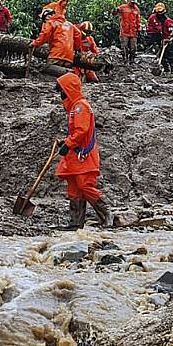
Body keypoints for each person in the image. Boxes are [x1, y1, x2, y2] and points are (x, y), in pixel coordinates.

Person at [54, 72, 111, 229]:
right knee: (74, 187)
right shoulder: (75, 107)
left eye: (62, 91)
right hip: (76, 155)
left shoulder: (80, 107)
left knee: (85, 185)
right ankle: (75, 223)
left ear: (69, 90)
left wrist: (69, 144)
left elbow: (82, 131)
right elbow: (77, 132)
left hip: (83, 154)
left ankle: (107, 215)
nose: (61, 95)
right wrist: (65, 142)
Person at [146, 3, 173, 73]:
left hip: (168, 39)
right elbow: (150, 29)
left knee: (170, 52)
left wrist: (167, 39)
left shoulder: (169, 21)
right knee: (159, 54)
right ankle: (165, 68)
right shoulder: (152, 18)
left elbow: (171, 33)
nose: (159, 13)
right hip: (157, 38)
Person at [111, 0, 142, 65]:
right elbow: (114, 13)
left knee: (133, 47)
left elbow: (138, 20)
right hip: (124, 31)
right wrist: (114, 10)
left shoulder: (136, 9)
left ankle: (132, 60)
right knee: (124, 47)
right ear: (129, 0)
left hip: (134, 31)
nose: (133, 3)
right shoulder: (123, 7)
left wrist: (139, 29)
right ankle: (125, 60)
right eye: (131, 1)